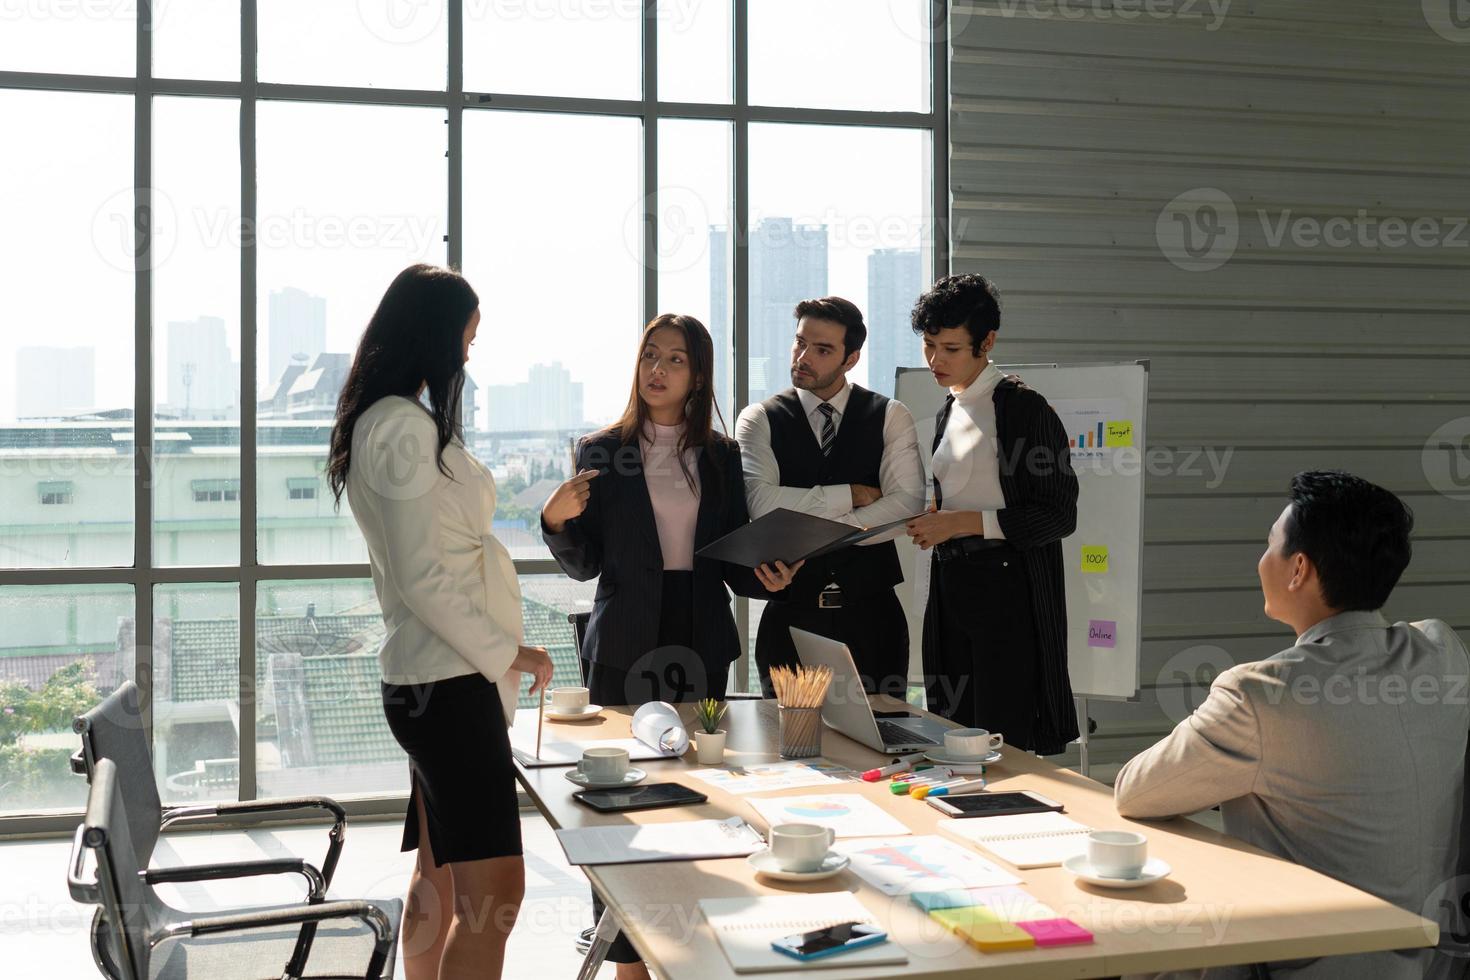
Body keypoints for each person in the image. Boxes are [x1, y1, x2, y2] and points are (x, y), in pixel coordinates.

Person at [1114, 471, 1469, 980]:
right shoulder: (1442, 650)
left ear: (1298, 568)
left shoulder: (1262, 693)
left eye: (1269, 546)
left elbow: (1135, 792)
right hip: (1429, 961)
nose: (1261, 562)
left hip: (1306, 964)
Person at [540, 313, 799, 980]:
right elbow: (585, 561)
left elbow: (731, 557)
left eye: (675, 359)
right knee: (622, 809)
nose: (657, 369)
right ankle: (627, 961)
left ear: (697, 374)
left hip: (701, 636)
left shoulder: (718, 455)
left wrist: (769, 576)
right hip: (625, 641)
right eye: (650, 355)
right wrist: (553, 522)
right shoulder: (601, 450)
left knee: (696, 796)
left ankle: (692, 941)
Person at [329, 264, 554, 980]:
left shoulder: (393, 418)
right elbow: (424, 575)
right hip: (448, 684)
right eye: (466, 339)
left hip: (438, 681)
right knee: (498, 900)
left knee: (442, 879)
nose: (466, 356)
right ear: (435, 334)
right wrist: (507, 652)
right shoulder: (398, 425)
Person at [905, 273, 1080, 755]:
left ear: (988, 342)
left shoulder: (1025, 410)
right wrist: (936, 520)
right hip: (952, 584)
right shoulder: (950, 409)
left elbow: (1059, 514)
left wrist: (959, 522)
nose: (936, 360)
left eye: (951, 348)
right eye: (929, 345)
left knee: (1004, 737)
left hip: (1007, 589)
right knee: (952, 728)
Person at [735, 296, 925, 699]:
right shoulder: (758, 419)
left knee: (881, 744)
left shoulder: (891, 415)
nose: (803, 357)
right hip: (790, 620)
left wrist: (810, 526)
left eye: (822, 350)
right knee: (792, 750)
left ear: (850, 359)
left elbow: (907, 503)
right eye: (799, 342)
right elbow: (762, 504)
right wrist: (852, 495)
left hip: (874, 620)